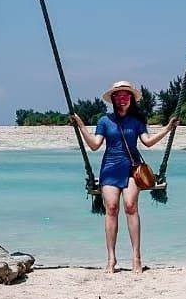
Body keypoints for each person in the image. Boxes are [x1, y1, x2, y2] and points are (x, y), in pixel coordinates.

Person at [71, 80, 179, 275]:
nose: (122, 100)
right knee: (111, 208)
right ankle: (111, 258)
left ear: (131, 98)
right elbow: (95, 145)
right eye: (118, 96)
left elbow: (147, 142)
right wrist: (80, 126)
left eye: (125, 96)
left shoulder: (137, 121)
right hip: (110, 169)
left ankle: (136, 257)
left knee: (130, 206)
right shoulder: (105, 120)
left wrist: (168, 128)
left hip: (132, 169)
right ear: (113, 99)